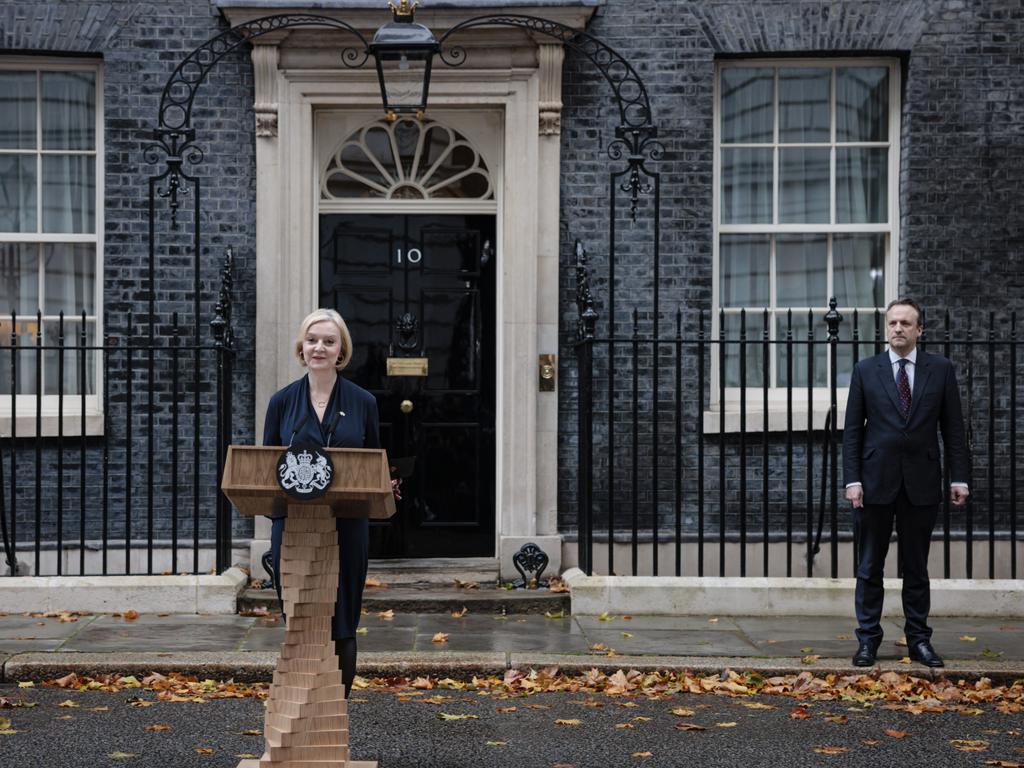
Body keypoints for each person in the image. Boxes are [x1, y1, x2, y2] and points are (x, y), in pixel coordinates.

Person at [263, 307, 388, 698]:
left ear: (341, 351)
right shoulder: (282, 402)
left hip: (347, 525)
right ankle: (300, 707)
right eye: (313, 340)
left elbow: (374, 462)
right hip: (295, 524)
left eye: (329, 342)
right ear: (302, 347)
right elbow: (267, 467)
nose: (319, 347)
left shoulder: (363, 401)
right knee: (300, 617)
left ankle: (335, 709)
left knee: (342, 618)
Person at [843, 298, 969, 668]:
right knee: (870, 567)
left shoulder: (940, 370)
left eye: (905, 323)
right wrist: (852, 479)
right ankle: (868, 640)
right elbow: (853, 431)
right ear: (886, 328)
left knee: (916, 568)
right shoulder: (866, 370)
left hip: (922, 482)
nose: (898, 328)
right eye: (893, 322)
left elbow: (954, 428)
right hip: (874, 481)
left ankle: (919, 641)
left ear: (919, 330)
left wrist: (958, 477)